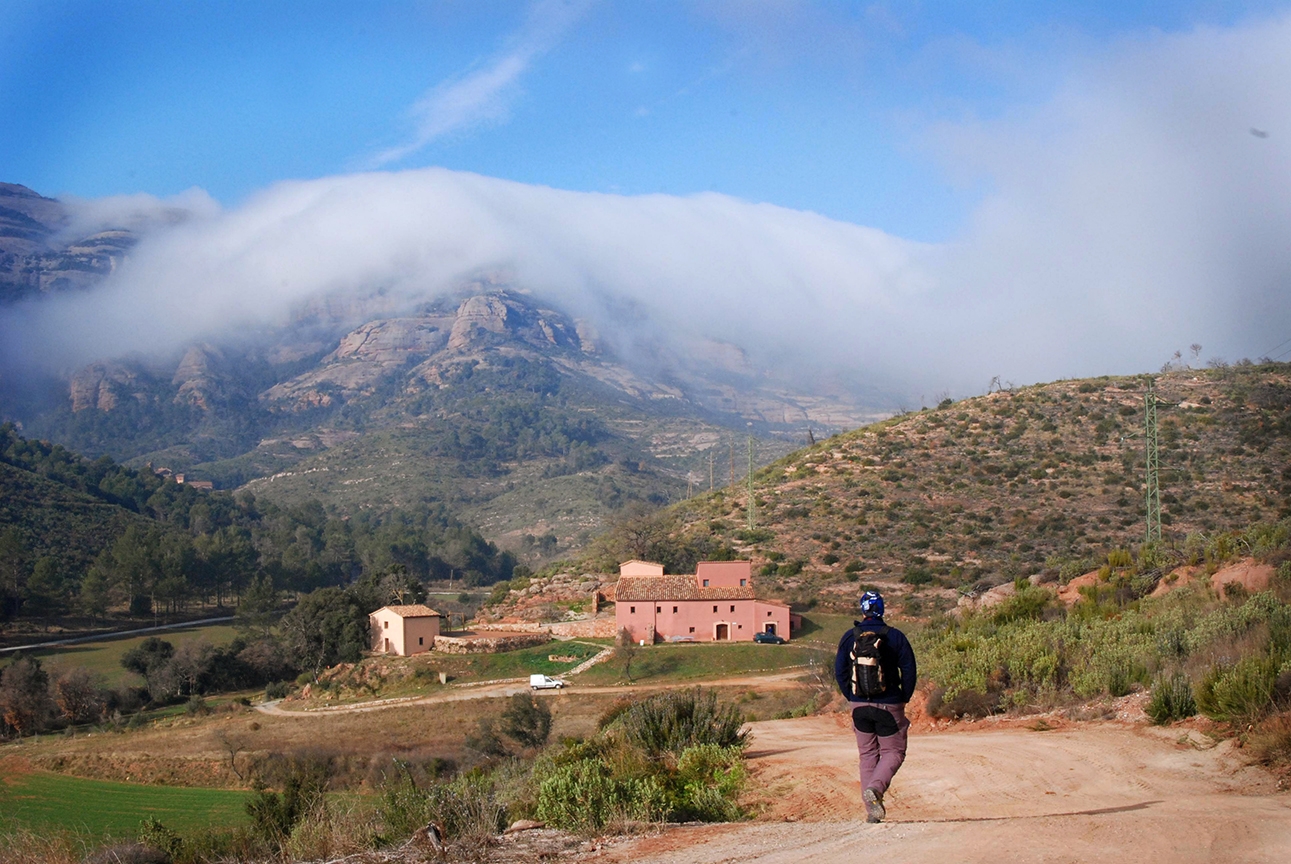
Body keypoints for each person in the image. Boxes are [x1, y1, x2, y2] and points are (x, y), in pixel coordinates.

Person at [834, 590, 917, 823]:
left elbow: (839, 671)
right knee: (893, 752)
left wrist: (851, 696)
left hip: (858, 705)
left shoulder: (849, 637)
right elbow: (909, 670)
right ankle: (876, 790)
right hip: (889, 704)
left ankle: (872, 812)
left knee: (867, 754)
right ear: (882, 609)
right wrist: (904, 697)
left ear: (863, 610)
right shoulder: (896, 637)